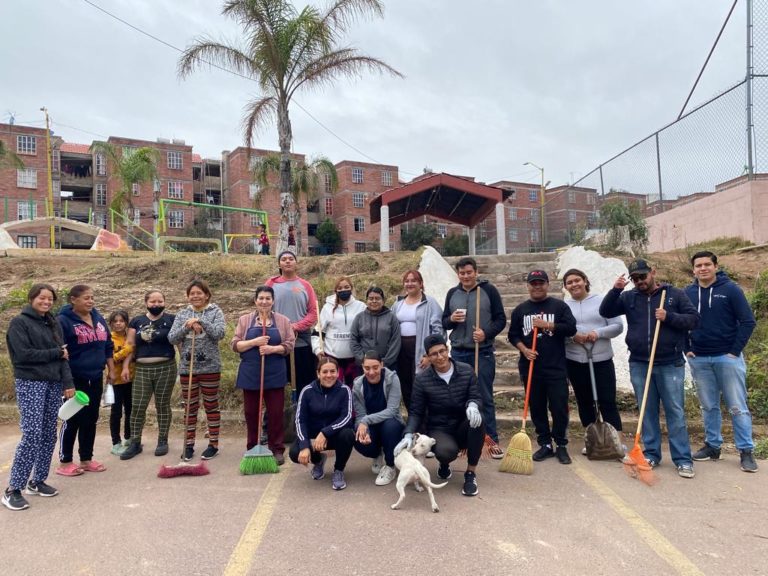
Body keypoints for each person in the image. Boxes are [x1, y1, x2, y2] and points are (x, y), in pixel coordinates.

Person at [600, 258, 699, 479]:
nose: (639, 281)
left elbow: (694, 320)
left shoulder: (674, 294)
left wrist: (669, 317)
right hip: (640, 362)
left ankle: (683, 459)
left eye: (642, 277)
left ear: (653, 272)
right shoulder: (628, 297)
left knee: (675, 411)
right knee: (647, 410)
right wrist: (616, 290)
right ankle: (652, 454)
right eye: (634, 278)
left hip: (670, 363)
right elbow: (606, 311)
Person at [685, 251, 758, 473]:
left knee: (737, 406)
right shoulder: (688, 292)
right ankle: (713, 446)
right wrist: (687, 348)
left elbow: (748, 321)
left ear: (716, 266)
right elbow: (680, 321)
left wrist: (734, 351)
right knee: (708, 405)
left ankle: (746, 451)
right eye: (698, 265)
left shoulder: (731, 290)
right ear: (694, 269)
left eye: (707, 264)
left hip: (727, 358)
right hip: (699, 359)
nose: (703, 268)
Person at [3, 284, 74, 511]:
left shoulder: (52, 322)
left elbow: (64, 356)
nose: (46, 302)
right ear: (32, 298)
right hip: (31, 382)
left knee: (48, 434)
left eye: (50, 299)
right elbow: (23, 355)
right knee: (32, 434)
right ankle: (13, 489)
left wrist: (68, 383)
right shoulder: (20, 323)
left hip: (53, 382)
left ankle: (37, 481)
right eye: (41, 298)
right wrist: (56, 353)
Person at [395, 334, 484, 497]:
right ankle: (444, 463)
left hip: (462, 422)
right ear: (428, 357)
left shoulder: (466, 370)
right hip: (439, 428)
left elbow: (476, 395)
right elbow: (416, 411)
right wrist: (408, 434)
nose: (440, 356)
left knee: (478, 422)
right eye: (434, 354)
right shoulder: (422, 380)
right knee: (445, 452)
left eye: (442, 351)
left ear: (448, 349)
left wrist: (473, 404)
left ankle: (470, 474)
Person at [508, 270, 577, 464]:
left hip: (555, 367)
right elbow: (513, 335)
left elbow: (571, 328)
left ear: (547, 284)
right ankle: (545, 444)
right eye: (533, 283)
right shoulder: (520, 310)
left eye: (540, 283)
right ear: (528, 286)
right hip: (531, 367)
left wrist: (549, 325)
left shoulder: (559, 306)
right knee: (537, 408)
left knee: (559, 407)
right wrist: (524, 349)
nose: (537, 286)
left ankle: (561, 445)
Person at [442, 256, 507, 458]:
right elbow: (444, 322)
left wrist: (486, 333)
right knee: (459, 398)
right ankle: (463, 441)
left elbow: (501, 319)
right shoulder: (453, 293)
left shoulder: (488, 291)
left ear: (476, 272)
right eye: (462, 273)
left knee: (484, 398)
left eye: (469, 272)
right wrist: (451, 319)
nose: (466, 276)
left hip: (483, 352)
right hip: (459, 352)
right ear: (458, 274)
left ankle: (491, 439)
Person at [232, 285, 295, 465]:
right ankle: (253, 446)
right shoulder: (245, 320)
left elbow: (289, 344)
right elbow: (235, 345)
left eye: (268, 298)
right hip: (251, 372)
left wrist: (272, 348)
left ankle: (277, 448)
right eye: (261, 298)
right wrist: (254, 342)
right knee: (251, 413)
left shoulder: (283, 321)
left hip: (275, 372)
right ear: (255, 300)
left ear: (273, 301)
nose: (264, 301)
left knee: (276, 413)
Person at [56, 284, 115, 476]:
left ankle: (86, 458)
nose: (90, 301)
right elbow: (61, 353)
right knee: (72, 419)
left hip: (95, 376)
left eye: (92, 297)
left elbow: (108, 345)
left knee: (91, 419)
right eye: (86, 298)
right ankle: (65, 462)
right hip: (75, 378)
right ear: (73, 300)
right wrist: (67, 382)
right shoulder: (63, 321)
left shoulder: (98, 318)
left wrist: (111, 370)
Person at [562, 269, 624, 443]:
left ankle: (616, 442)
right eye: (569, 282)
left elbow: (617, 327)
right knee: (584, 401)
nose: (574, 284)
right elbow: (561, 332)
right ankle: (593, 441)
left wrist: (597, 332)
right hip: (575, 360)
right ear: (565, 287)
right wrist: (573, 336)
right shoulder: (563, 306)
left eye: (577, 280)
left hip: (601, 359)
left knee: (607, 400)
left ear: (585, 281)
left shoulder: (602, 301)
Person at [168, 279, 227, 461]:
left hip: (210, 367)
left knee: (211, 405)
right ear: (188, 296)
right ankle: (188, 444)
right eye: (192, 293)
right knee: (190, 407)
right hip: (188, 368)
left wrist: (201, 321)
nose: (195, 296)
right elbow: (171, 338)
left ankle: (213, 444)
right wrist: (187, 325)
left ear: (206, 295)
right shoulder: (183, 313)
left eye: (199, 293)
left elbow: (219, 333)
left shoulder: (215, 311)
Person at [120, 291, 177, 460]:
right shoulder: (137, 321)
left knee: (163, 405)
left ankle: (162, 440)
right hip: (142, 368)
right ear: (146, 302)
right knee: (137, 406)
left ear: (165, 302)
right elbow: (130, 345)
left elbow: (179, 342)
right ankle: (135, 442)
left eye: (160, 301)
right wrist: (125, 366)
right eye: (152, 301)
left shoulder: (171, 319)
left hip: (166, 367)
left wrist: (184, 366)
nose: (156, 304)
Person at [290, 357, 355, 490]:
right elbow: (300, 420)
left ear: (338, 373)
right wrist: (304, 446)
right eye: (325, 372)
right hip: (314, 437)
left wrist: (325, 432)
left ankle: (338, 470)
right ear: (318, 373)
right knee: (294, 452)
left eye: (333, 371)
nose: (329, 375)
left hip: (334, 435)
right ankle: (318, 460)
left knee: (348, 434)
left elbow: (347, 417)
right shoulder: (307, 391)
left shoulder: (344, 390)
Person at [266, 251, 318, 394]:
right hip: (277, 339)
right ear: (279, 264)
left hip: (300, 339)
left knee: (305, 380)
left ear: (296, 263)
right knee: (277, 383)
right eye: (284, 259)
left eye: (291, 259)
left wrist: (294, 326)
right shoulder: (271, 284)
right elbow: (264, 308)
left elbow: (313, 313)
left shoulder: (305, 285)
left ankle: (303, 411)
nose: (287, 261)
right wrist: (282, 328)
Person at [391, 270, 444, 411]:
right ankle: (412, 424)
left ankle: (425, 427)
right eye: (407, 281)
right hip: (401, 350)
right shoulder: (398, 304)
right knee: (406, 386)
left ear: (420, 283)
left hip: (420, 350)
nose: (410, 283)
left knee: (421, 387)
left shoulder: (429, 302)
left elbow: (438, 329)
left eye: (413, 280)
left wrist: (429, 354)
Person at [352, 350, 405, 486]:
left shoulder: (392, 379)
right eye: (367, 368)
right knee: (358, 436)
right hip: (372, 426)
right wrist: (365, 432)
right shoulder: (358, 385)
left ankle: (390, 465)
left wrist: (365, 421)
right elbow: (360, 415)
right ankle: (376, 454)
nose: (371, 372)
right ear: (362, 367)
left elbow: (392, 410)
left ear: (381, 364)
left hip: (390, 423)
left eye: (375, 367)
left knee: (390, 427)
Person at [312, 276, 366, 388]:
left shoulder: (361, 307)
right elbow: (318, 332)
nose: (343, 290)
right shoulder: (327, 308)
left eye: (346, 287)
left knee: (355, 388)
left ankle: (352, 406)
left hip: (354, 357)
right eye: (340, 288)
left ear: (351, 288)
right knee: (335, 387)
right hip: (333, 357)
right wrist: (318, 350)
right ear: (335, 290)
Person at [350, 287, 401, 371]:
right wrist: (362, 359)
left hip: (388, 365)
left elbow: (395, 341)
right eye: (371, 298)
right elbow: (353, 340)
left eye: (377, 298)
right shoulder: (359, 317)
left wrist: (385, 362)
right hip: (364, 366)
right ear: (366, 300)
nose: (374, 301)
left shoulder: (391, 317)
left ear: (383, 301)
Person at [107, 310, 134, 456]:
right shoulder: (109, 339)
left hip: (131, 379)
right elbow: (111, 358)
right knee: (116, 412)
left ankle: (128, 438)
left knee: (130, 410)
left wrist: (129, 348)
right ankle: (115, 442)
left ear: (126, 323)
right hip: (115, 380)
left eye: (121, 321)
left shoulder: (129, 337)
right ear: (111, 324)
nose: (118, 323)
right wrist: (127, 349)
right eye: (115, 321)